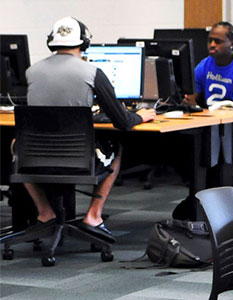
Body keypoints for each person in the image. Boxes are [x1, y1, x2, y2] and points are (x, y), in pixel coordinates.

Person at [23, 16, 156, 243]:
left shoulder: (31, 72)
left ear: (51, 42)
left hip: (37, 157)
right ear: (84, 43)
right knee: (116, 148)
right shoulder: (92, 72)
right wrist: (141, 115)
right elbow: (122, 122)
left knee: (17, 146)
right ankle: (93, 215)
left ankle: (45, 212)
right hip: (78, 157)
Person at [172, 21, 233, 220]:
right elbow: (194, 94)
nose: (212, 45)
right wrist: (190, 98)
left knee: (220, 153)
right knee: (190, 148)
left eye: (218, 41)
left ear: (231, 43)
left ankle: (220, 211)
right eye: (210, 40)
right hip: (212, 123)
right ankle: (198, 203)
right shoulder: (205, 65)